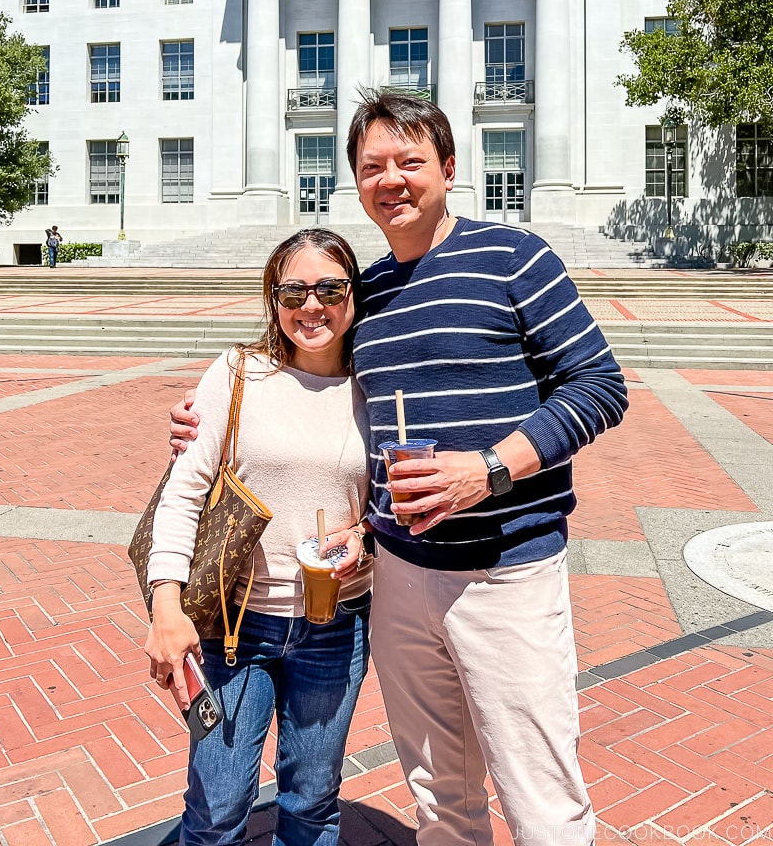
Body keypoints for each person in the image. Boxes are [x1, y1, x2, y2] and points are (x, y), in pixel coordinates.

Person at [172, 91, 629, 846]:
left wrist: (489, 469)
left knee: (539, 793)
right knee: (439, 791)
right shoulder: (369, 293)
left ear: (448, 169)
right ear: (355, 183)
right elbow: (304, 386)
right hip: (398, 580)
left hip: (503, 572)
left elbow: (600, 386)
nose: (392, 179)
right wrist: (203, 418)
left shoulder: (516, 257)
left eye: (410, 161)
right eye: (372, 166)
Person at [148, 228, 372, 846]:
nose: (311, 305)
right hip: (233, 623)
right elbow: (184, 491)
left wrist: (367, 538)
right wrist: (166, 603)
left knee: (312, 800)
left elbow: (390, 503)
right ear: (273, 300)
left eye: (330, 287)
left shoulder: (374, 386)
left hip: (336, 624)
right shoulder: (238, 373)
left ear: (353, 296)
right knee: (218, 804)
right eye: (292, 290)